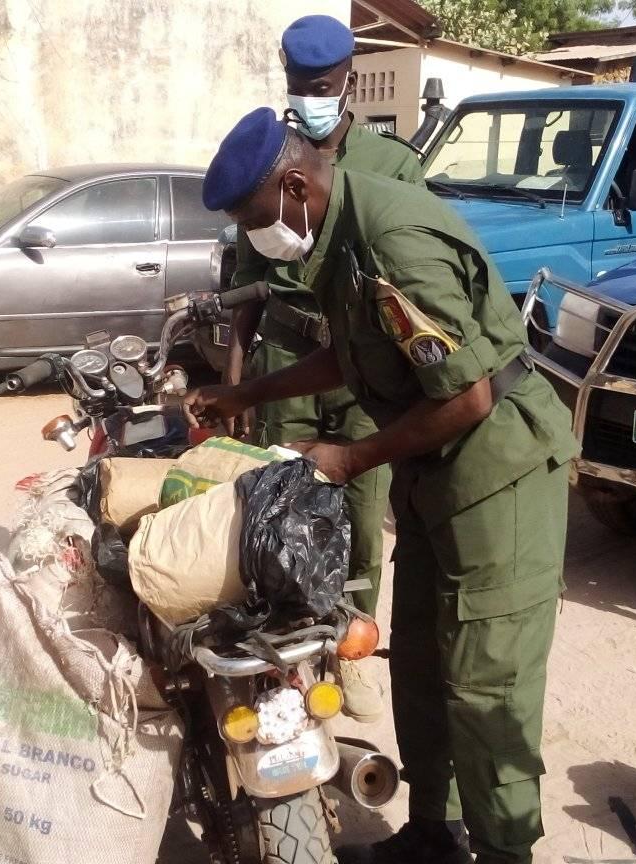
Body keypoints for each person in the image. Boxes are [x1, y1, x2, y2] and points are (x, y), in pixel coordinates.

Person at [190, 108, 579, 864]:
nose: (256, 238)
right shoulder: (335, 233)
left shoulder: (393, 242)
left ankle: (505, 851)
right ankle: (435, 835)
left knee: (487, 687)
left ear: (295, 185)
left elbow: (467, 396)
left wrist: (351, 458)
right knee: (427, 669)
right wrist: (246, 396)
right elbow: (356, 354)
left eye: (254, 218)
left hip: (498, 474)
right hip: (436, 473)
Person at [222, 14, 423, 723]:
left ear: (348, 81)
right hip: (286, 354)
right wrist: (240, 381)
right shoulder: (271, 160)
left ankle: (352, 650)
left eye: (324, 85)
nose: (311, 97)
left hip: (365, 366)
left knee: (363, 518)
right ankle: (291, 660)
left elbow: (411, 281)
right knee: (280, 508)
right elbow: (246, 282)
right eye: (299, 86)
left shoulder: (392, 164)